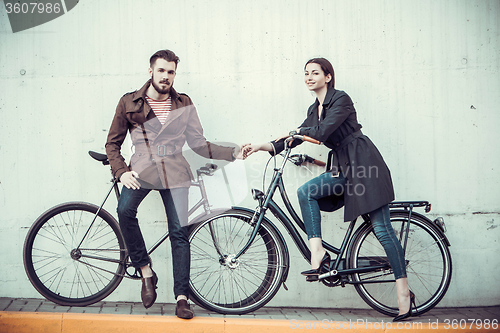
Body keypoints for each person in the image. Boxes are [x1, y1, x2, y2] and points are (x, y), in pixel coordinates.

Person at [243, 58, 415, 322]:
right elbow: (296, 137)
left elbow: (320, 133)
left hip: (364, 164)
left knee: (382, 229)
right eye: (306, 73)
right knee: (306, 192)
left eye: (315, 73)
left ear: (328, 77)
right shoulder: (315, 108)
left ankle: (404, 292)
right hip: (343, 167)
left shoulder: (341, 99)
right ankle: (318, 252)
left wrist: (299, 132)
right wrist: (260, 146)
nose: (309, 77)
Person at [105, 49, 246, 319]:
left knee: (179, 234)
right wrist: (121, 172)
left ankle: (182, 298)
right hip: (142, 169)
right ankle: (146, 271)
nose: (166, 76)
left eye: (171, 72)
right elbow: (112, 143)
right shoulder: (128, 102)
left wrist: (232, 152)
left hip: (176, 173)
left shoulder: (183, 102)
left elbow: (198, 143)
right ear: (151, 71)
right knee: (124, 211)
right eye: (161, 70)